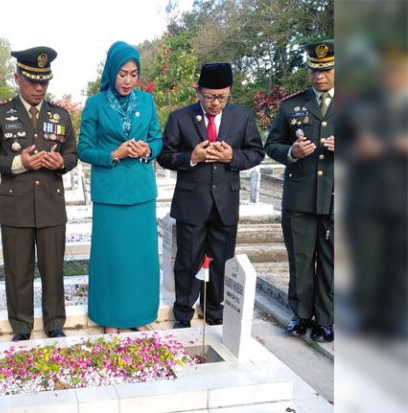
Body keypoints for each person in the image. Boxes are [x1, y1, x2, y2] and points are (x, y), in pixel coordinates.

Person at [0, 46, 78, 341]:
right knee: (18, 270)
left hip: (50, 203)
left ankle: (54, 322)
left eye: (44, 81)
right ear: (17, 78)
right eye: (32, 80)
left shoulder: (60, 115)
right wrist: (17, 163)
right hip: (16, 204)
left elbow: (72, 153)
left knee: (52, 269)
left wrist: (62, 162)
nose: (38, 87)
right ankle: (21, 326)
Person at [157, 63, 264, 329]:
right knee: (187, 260)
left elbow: (256, 152)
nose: (216, 103)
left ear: (229, 92)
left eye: (222, 97)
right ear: (199, 91)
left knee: (221, 260)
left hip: (225, 203)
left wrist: (232, 157)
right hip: (191, 202)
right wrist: (191, 158)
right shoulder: (179, 117)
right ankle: (183, 312)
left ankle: (215, 310)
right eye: (209, 97)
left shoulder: (243, 117)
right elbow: (165, 156)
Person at [77, 41, 162, 334]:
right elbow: (84, 149)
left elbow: (158, 139)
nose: (127, 80)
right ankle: (110, 317)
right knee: (111, 255)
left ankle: (140, 315)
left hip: (141, 191)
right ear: (112, 72)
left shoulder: (148, 102)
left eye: (133, 74)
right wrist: (116, 154)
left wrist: (147, 151)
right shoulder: (95, 104)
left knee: (141, 257)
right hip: (110, 192)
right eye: (122, 74)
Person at [265, 40, 335, 342]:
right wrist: (292, 152)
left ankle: (327, 319)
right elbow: (271, 145)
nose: (319, 77)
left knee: (333, 262)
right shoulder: (291, 106)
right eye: (313, 71)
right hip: (300, 197)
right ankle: (302, 316)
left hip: (337, 196)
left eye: (326, 70)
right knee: (301, 259)